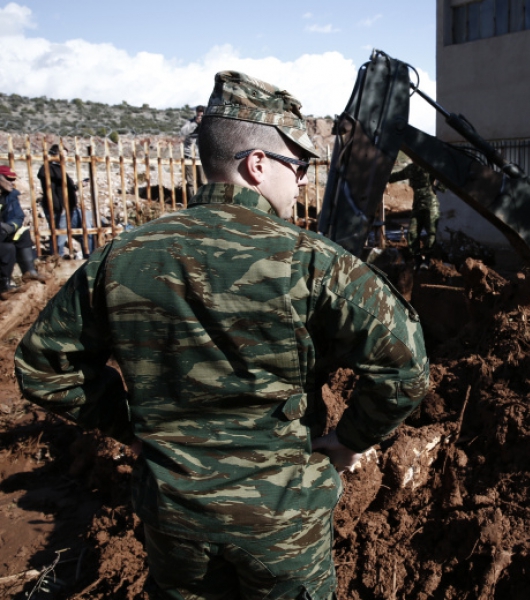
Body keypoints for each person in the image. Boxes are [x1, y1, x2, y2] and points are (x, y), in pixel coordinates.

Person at [15, 71, 430, 600]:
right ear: (258, 164)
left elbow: (42, 366)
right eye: (297, 165)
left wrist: (131, 429)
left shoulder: (123, 255)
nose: (302, 180)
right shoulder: (314, 262)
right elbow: (407, 367)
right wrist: (350, 440)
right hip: (282, 525)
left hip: (174, 520)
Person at [37, 144, 94, 257]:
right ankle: (58, 261)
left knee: (86, 232)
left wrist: (79, 185)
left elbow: (65, 188)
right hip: (60, 210)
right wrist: (59, 209)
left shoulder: (59, 169)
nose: (65, 158)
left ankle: (89, 258)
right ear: (54, 154)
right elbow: (51, 192)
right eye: (62, 155)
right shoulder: (47, 169)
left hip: (69, 208)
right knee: (59, 236)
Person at [0, 165, 46, 300]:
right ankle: (4, 286)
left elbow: (18, 216)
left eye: (13, 179)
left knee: (23, 233)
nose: (12, 182)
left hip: (3, 231)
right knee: (8, 249)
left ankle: (29, 272)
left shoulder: (11, 196)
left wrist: (11, 227)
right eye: (8, 179)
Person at [388, 162, 443, 257]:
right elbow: (397, 176)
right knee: (412, 233)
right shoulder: (411, 168)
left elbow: (444, 176)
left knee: (431, 233)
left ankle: (428, 259)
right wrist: (383, 177)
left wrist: (438, 188)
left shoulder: (430, 166)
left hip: (431, 205)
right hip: (417, 205)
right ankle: (417, 259)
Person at [181, 104, 206, 197]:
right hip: (189, 155)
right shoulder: (190, 122)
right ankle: (192, 199)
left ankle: (201, 199)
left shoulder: (207, 123)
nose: (200, 117)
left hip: (201, 156)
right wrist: (195, 123)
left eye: (201, 115)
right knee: (190, 181)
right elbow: (183, 132)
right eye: (198, 114)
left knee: (202, 180)